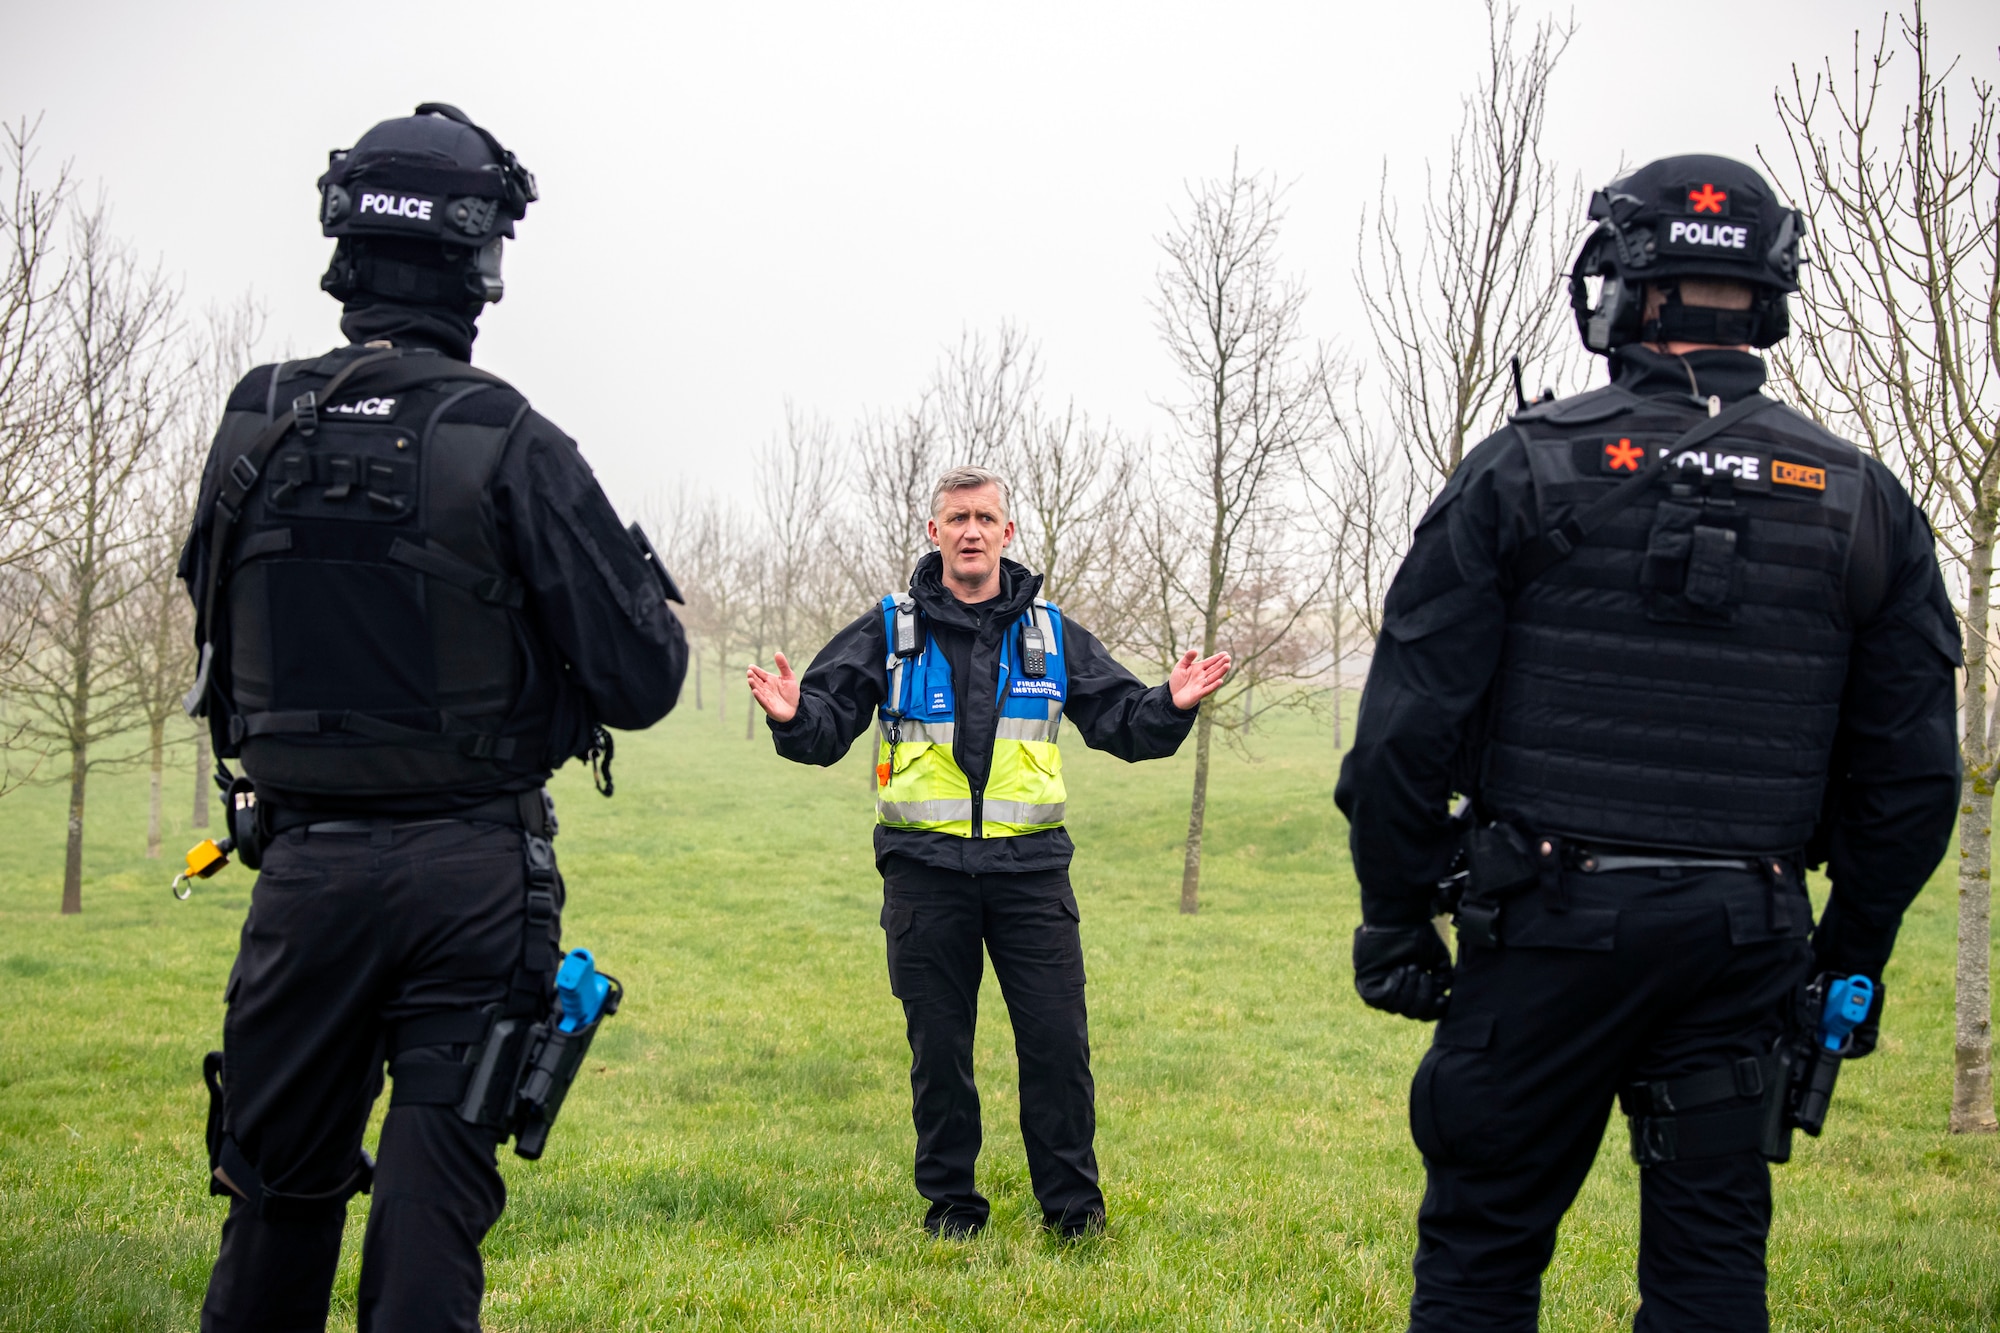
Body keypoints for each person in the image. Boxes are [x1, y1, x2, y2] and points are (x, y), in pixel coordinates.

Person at [1335, 154, 1960, 1332]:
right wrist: (1850, 950)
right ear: (1768, 295)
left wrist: (1392, 909)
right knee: (1709, 1262)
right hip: (1745, 935)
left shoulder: (1521, 466)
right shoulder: (1860, 498)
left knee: (1480, 1251)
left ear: (1619, 286)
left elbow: (1406, 732)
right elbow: (1910, 776)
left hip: (1546, 928)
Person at [178, 104, 687, 1332]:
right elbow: (643, 678)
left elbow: (214, 617)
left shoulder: (253, 419)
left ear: (345, 243)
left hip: (300, 876)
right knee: (427, 1205)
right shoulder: (503, 435)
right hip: (472, 877)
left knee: (274, 1197)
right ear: (482, 258)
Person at [747, 465, 1229, 1238]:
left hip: (1032, 876)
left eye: (986, 517)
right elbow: (826, 724)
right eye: (957, 517)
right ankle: (953, 1209)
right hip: (924, 873)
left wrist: (1168, 705)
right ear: (933, 532)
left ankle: (1073, 1214)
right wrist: (791, 714)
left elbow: (1121, 721)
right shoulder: (889, 627)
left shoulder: (1051, 631)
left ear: (1008, 533)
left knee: (1058, 1047)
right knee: (940, 1052)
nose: (972, 530)